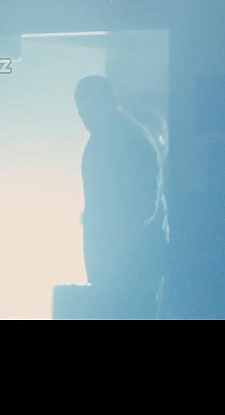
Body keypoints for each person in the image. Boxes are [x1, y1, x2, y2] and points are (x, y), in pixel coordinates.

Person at [74, 76, 168, 318]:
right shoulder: (111, 138)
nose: (84, 115)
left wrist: (114, 255)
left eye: (87, 106)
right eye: (81, 109)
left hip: (129, 269)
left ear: (107, 101)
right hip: (120, 267)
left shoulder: (128, 139)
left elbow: (144, 206)